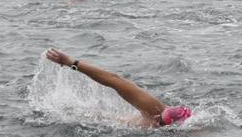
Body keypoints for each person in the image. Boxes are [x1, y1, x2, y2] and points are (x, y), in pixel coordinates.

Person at [43, 48, 192, 128]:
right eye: (162, 114)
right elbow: (115, 80)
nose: (157, 119)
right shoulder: (154, 109)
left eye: (161, 122)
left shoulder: (162, 130)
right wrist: (72, 62)